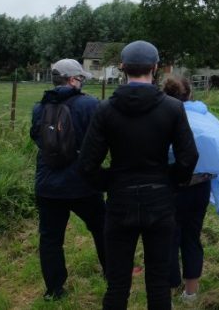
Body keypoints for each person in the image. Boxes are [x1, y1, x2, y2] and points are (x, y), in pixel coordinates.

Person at [78, 40, 198, 310]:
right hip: (160, 201)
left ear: (122, 67)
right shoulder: (172, 108)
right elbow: (189, 157)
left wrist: (112, 183)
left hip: (120, 202)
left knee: (117, 283)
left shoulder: (105, 109)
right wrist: (169, 181)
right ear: (155, 68)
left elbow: (86, 165)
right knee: (158, 283)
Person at [30, 59, 106, 301]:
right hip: (83, 183)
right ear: (73, 79)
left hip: (48, 184)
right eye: (80, 78)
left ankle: (54, 290)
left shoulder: (39, 107)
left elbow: (37, 138)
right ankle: (112, 272)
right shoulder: (90, 105)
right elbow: (100, 141)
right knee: (103, 228)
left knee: (51, 238)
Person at [162, 76, 212, 304]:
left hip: (171, 186)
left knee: (169, 239)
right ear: (190, 94)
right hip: (200, 185)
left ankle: (169, 293)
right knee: (192, 237)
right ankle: (191, 293)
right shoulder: (204, 116)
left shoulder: (162, 115)